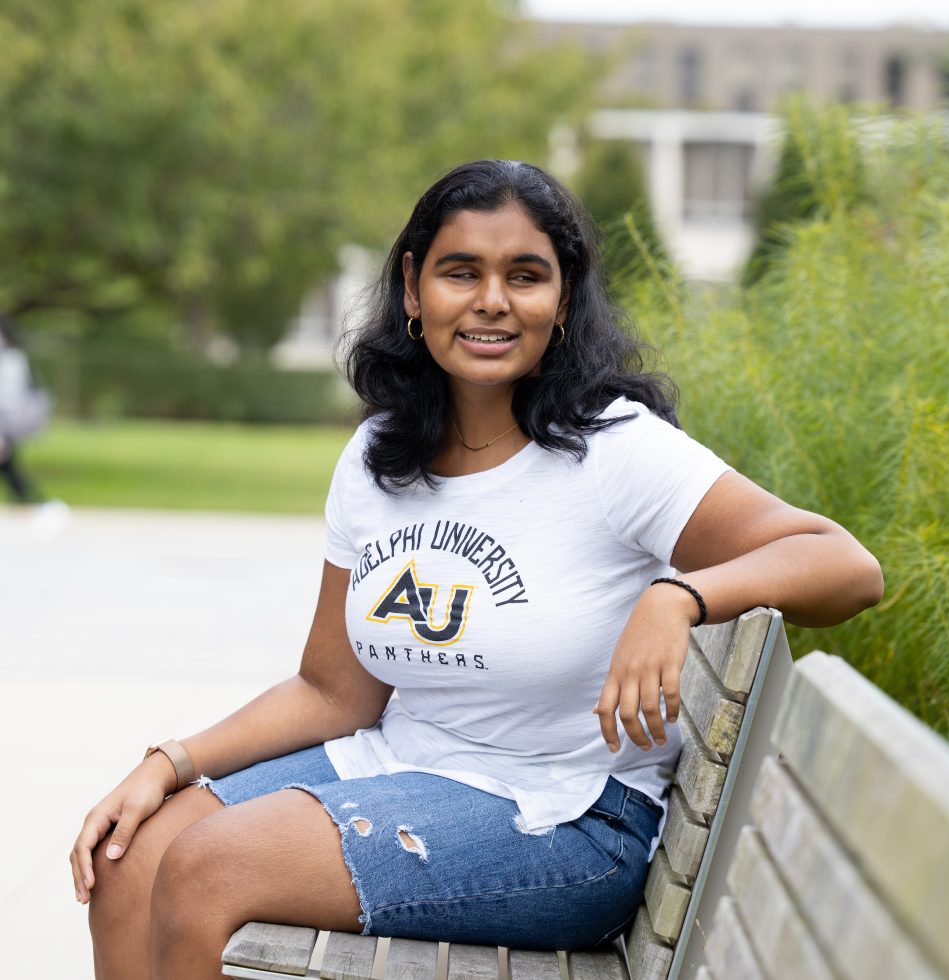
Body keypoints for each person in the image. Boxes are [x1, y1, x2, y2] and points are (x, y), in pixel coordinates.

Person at [71, 160, 883, 980]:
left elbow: (843, 565)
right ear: (414, 290)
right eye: (462, 271)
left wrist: (680, 596)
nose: (493, 299)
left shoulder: (614, 449)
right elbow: (333, 693)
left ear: (562, 303)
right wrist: (168, 763)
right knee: (128, 858)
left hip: (566, 817)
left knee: (212, 864)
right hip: (404, 766)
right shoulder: (379, 457)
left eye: (525, 276)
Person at [0, 315, 50, 505]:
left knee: (6, 461)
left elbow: (8, 397)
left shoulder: (11, 360)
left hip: (6, 418)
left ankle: (28, 497)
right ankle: (27, 497)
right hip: (6, 419)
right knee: (7, 462)